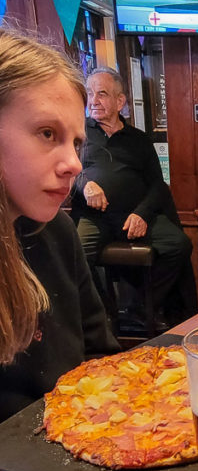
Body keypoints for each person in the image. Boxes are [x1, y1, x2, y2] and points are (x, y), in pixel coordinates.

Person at [0, 29, 118, 423]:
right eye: (47, 134)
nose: (74, 164)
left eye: (76, 142)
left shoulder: (57, 231)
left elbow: (100, 354)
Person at [70, 68, 196, 328]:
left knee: (179, 244)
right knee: (75, 253)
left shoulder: (138, 140)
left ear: (120, 102)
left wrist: (142, 213)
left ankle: (140, 306)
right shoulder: (78, 134)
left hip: (133, 215)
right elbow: (67, 173)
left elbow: (158, 186)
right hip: (96, 217)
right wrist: (85, 185)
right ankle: (104, 315)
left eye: (102, 94)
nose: (93, 101)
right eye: (90, 94)